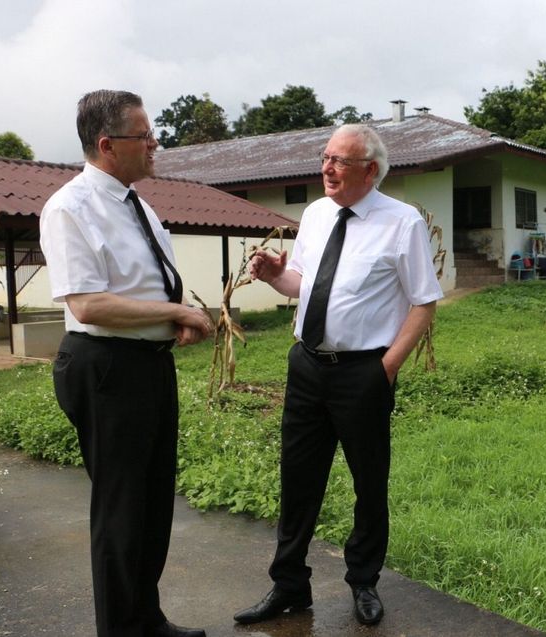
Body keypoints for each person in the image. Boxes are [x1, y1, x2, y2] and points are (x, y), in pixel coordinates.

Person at [234, 124, 443, 626]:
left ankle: (363, 581)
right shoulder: (315, 213)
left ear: (370, 170)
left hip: (362, 373)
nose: (327, 168)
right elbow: (301, 283)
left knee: (369, 481)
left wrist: (386, 367)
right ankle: (288, 586)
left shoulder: (402, 222)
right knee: (298, 478)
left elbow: (424, 301)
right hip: (307, 366)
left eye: (340, 161)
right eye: (326, 158)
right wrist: (272, 274)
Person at [40, 90, 213, 637]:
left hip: (147, 363)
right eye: (146, 135)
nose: (156, 143)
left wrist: (174, 320)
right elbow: (88, 304)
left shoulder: (139, 204)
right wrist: (174, 310)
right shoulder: (71, 207)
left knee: (153, 500)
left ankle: (146, 618)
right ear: (108, 144)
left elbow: (142, 286)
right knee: (121, 509)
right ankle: (121, 629)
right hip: (106, 367)